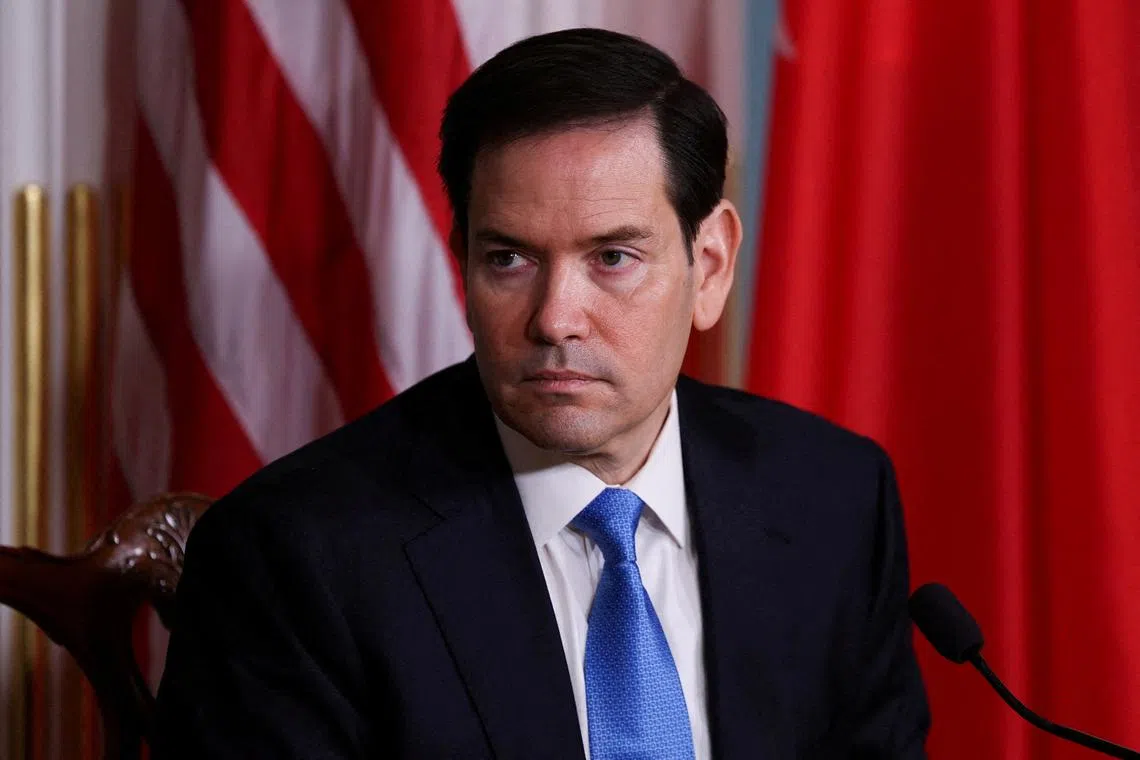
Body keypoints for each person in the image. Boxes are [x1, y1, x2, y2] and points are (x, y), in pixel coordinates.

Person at [153, 27, 929, 759]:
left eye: (613, 257)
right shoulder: (294, 556)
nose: (556, 318)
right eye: (510, 260)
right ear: (461, 263)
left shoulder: (833, 499)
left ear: (712, 265)